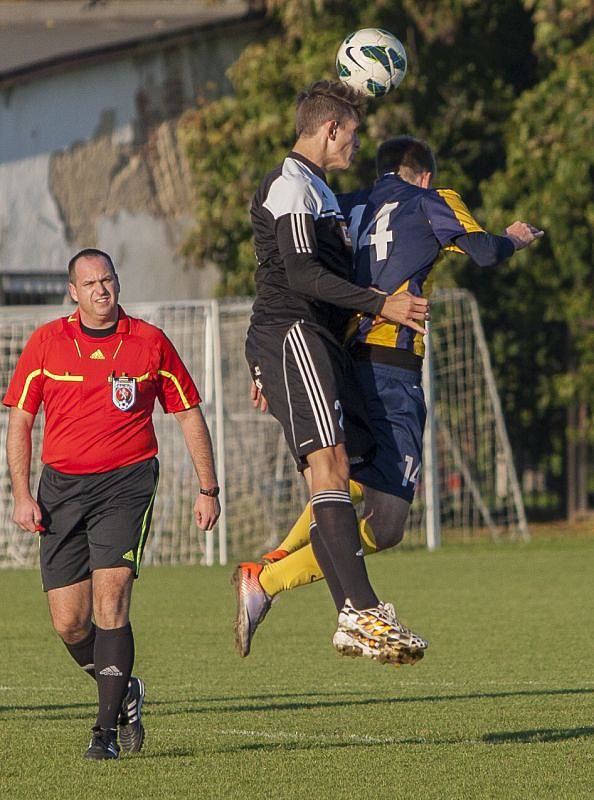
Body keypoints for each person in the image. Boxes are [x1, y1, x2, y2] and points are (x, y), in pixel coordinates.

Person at [237, 135, 544, 662]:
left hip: (338, 358)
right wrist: (514, 237)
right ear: (422, 174)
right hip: (392, 367)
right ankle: (273, 579)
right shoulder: (432, 198)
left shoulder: (346, 203)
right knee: (387, 522)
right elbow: (485, 252)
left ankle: (272, 567)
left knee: (342, 477)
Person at [235, 83, 431, 666]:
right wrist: (382, 303)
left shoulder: (321, 190)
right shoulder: (290, 183)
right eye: (350, 132)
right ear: (328, 129)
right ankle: (359, 611)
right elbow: (300, 276)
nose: (356, 142)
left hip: (315, 344)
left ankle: (341, 607)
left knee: (354, 465)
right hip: (293, 332)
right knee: (331, 465)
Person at [3, 248, 220, 760]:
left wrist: (207, 488)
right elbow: (20, 420)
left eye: (109, 279)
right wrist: (21, 493)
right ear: (72, 292)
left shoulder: (149, 342)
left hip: (126, 485)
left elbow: (188, 413)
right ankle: (124, 691)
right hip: (61, 491)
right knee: (69, 623)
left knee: (111, 602)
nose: (102, 289)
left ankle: (103, 734)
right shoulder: (46, 344)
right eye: (91, 283)